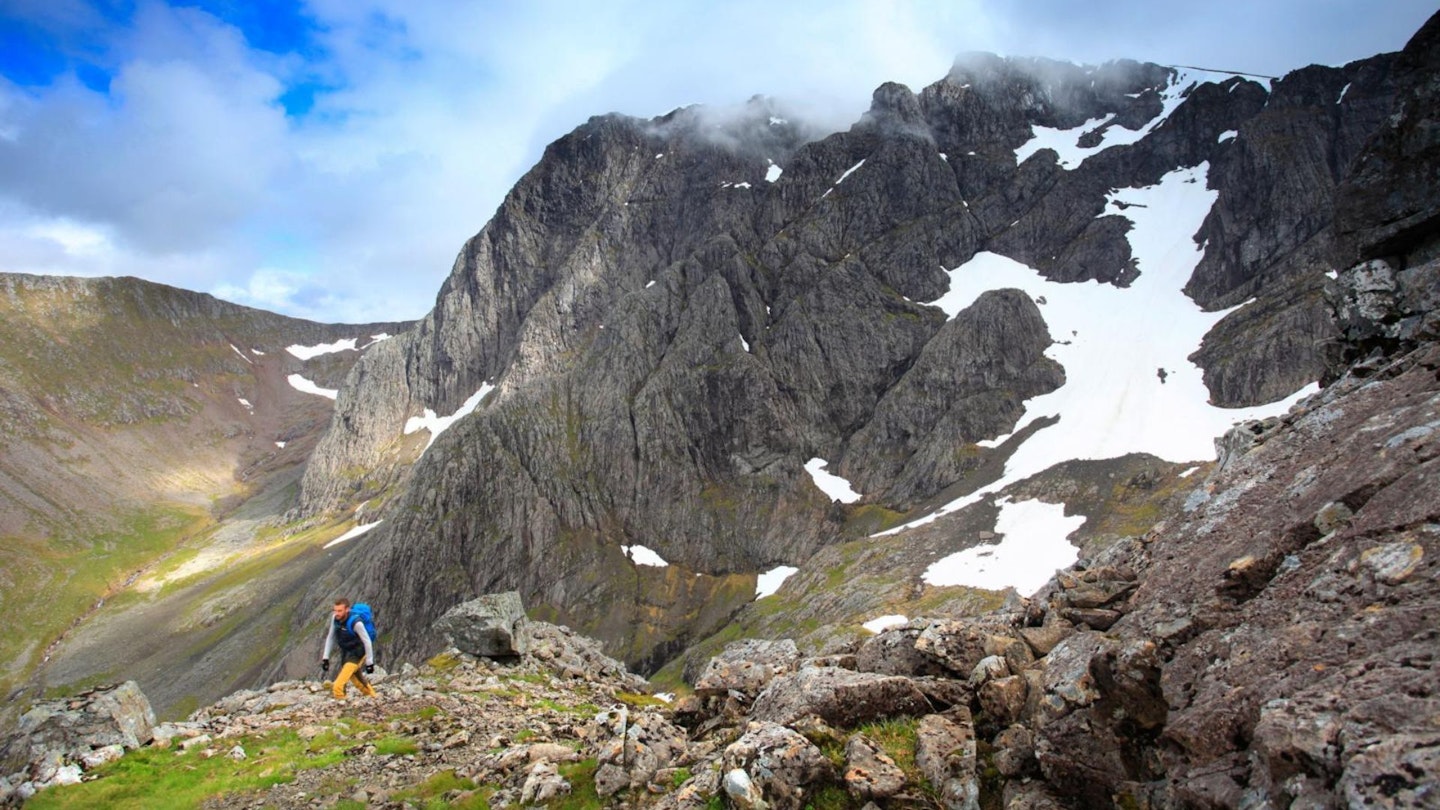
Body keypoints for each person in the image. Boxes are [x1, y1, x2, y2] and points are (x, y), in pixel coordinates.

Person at [321, 598, 377, 699]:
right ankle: (372, 697)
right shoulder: (335, 619)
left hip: (359, 651)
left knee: (338, 686)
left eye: (339, 611)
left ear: (347, 609)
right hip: (347, 651)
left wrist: (369, 663)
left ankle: (341, 703)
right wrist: (325, 658)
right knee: (356, 678)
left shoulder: (356, 623)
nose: (336, 613)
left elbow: (367, 641)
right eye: (335, 610)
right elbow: (330, 637)